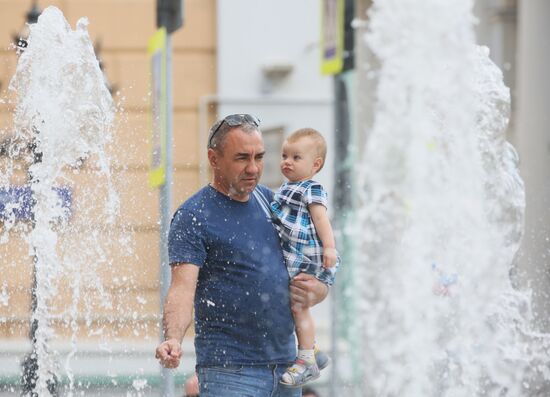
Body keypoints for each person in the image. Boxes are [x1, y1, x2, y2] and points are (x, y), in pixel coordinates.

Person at [155, 114, 329, 397]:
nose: (253, 168)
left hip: (286, 368)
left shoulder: (272, 203)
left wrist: (319, 290)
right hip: (231, 372)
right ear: (214, 159)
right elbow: (181, 289)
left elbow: (310, 260)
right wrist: (173, 338)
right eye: (241, 158)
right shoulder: (194, 216)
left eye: (259, 157)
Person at [270, 128, 339, 387]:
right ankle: (314, 351)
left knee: (299, 306)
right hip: (296, 256)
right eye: (285, 155)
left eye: (296, 157)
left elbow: (322, 220)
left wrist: (330, 249)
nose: (287, 161)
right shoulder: (289, 188)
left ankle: (306, 361)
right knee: (292, 306)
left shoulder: (311, 189)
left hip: (306, 257)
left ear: (315, 164)